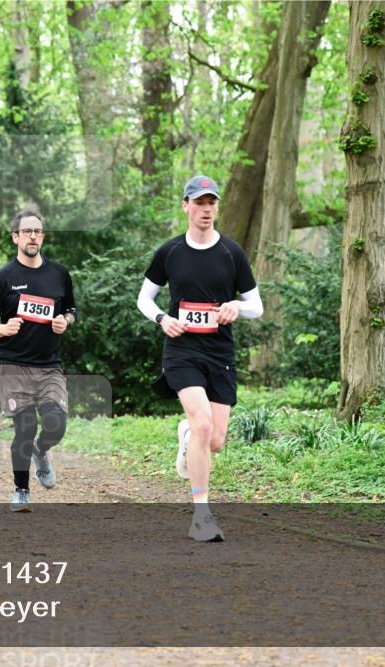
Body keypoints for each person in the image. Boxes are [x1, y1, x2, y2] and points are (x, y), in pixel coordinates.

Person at [136, 175, 262, 542]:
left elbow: (258, 306)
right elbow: (145, 298)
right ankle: (201, 517)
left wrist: (237, 306)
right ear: (186, 206)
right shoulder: (170, 252)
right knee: (204, 424)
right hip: (182, 349)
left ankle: (187, 435)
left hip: (219, 352)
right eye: (199, 202)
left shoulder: (231, 254)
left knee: (215, 439)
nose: (206, 209)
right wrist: (162, 318)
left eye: (212, 203)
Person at [0, 207, 77, 512]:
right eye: (26, 231)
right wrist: (2, 328)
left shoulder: (59, 273)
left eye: (37, 231)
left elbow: (72, 310)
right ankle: (21, 490)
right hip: (14, 365)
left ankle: (41, 451)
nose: (32, 236)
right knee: (24, 427)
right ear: (15, 237)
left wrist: (66, 321)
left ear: (43, 237)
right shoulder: (3, 278)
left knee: (56, 425)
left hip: (49, 365)